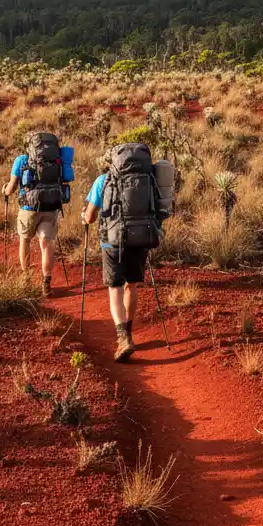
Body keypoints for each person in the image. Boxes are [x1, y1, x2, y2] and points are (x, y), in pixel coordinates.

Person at [82, 142, 167, 362]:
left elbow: (90, 216)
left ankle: (122, 338)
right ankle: (129, 330)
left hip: (112, 242)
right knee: (132, 286)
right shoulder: (150, 179)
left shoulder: (104, 180)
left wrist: (84, 217)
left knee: (115, 290)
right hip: (142, 237)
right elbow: (161, 209)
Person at [3, 133, 71, 297]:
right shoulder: (57, 160)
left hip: (28, 207)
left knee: (25, 240)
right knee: (46, 243)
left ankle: (26, 278)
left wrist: (5, 190)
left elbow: (11, 188)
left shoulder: (21, 160)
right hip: (51, 206)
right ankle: (46, 283)